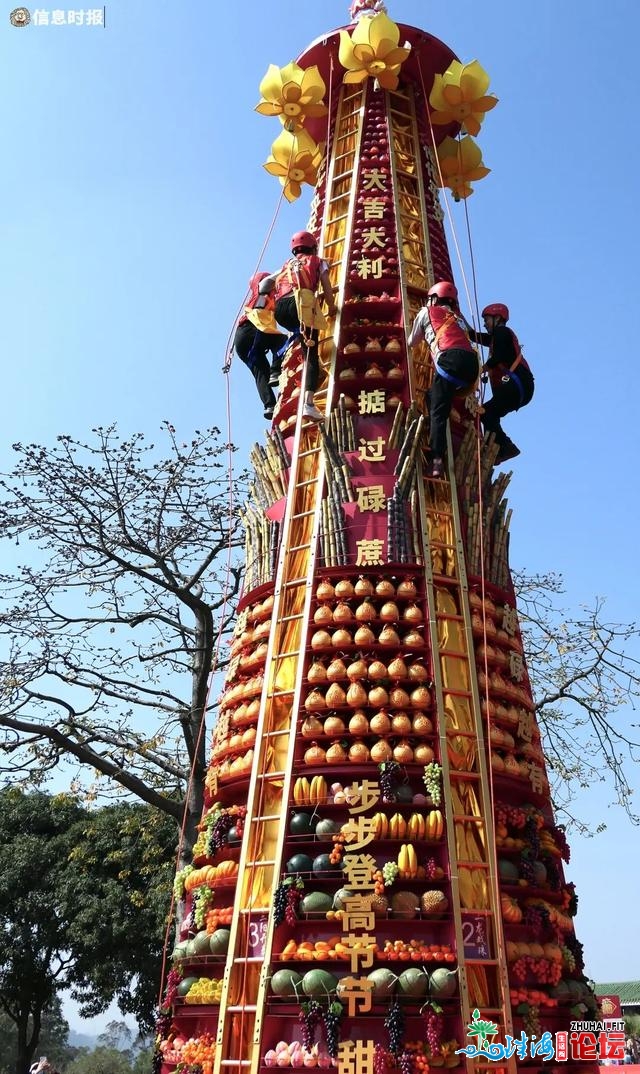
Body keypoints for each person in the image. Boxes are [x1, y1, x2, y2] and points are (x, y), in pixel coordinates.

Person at [262, 230, 337, 423]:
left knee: (303, 343)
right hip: (301, 304)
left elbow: (264, 284)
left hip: (281, 309)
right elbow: (327, 288)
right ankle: (309, 405)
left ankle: (281, 368)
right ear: (313, 246)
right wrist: (332, 306)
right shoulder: (317, 261)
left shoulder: (287, 265)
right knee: (311, 356)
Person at [407, 280, 479, 478]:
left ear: (434, 298)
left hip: (450, 361)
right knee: (436, 396)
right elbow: (471, 336)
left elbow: (411, 341)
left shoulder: (426, 312)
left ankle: (436, 460)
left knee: (437, 412)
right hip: (472, 366)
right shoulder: (459, 318)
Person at [467, 302, 534, 464]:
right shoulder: (495, 337)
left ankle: (504, 447)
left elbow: (499, 356)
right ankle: (500, 448)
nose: (485, 323)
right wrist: (461, 321)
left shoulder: (502, 332)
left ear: (497, 318)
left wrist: (480, 370)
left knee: (485, 412)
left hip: (517, 385)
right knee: (489, 414)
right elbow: (474, 336)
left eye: (487, 320)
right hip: (519, 388)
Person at [233, 271, 287, 421]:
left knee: (260, 372)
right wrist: (287, 268)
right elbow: (269, 281)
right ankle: (275, 371)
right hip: (252, 330)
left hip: (242, 341)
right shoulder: (262, 292)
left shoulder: (258, 300)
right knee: (282, 340)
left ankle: (270, 406)